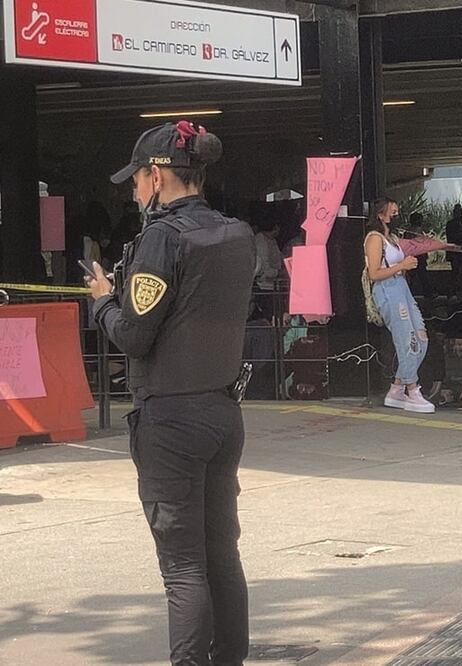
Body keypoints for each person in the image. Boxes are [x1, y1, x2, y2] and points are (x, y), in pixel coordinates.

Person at [86, 121, 255, 665]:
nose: (133, 191)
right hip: (224, 413)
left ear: (156, 175)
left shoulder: (162, 238)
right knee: (222, 556)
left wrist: (103, 302)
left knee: (182, 569)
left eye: (135, 180)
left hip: (171, 420)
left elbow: (136, 334)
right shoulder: (236, 234)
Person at [365, 198, 435, 413]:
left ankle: (397, 387)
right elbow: (374, 273)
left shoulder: (393, 238)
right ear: (380, 214)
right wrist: (401, 265)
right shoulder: (374, 239)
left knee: (421, 337)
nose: (396, 215)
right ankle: (412, 389)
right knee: (407, 339)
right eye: (392, 212)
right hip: (387, 291)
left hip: (401, 287)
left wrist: (404, 267)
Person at [252, 221, 284, 291]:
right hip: (262, 285)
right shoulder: (260, 241)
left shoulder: (272, 240)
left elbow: (279, 257)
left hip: (273, 284)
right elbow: (264, 267)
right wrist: (278, 273)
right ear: (276, 228)